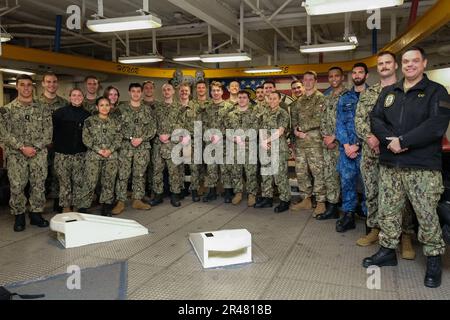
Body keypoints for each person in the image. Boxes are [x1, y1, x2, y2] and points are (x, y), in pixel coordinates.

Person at [363, 46, 450, 288]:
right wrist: (392, 141)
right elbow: (376, 119)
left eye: (414, 61)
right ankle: (387, 251)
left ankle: (433, 259)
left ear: (424, 63)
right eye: (406, 61)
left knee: (426, 214)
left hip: (422, 166)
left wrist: (404, 141)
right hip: (391, 164)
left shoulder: (436, 91)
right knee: (388, 211)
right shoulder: (391, 92)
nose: (409, 65)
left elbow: (436, 125)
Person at [354, 51, 416, 260]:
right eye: (380, 63)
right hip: (371, 153)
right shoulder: (369, 93)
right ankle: (375, 228)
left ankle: (405, 235)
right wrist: (370, 138)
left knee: (401, 197)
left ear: (395, 65)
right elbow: (359, 120)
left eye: (388, 62)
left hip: (399, 153)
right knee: (372, 192)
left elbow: (410, 123)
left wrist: (392, 142)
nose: (384, 66)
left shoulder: (405, 90)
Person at [0, 74, 52, 232]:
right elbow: (4, 134)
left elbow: (48, 132)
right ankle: (19, 215)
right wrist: (22, 147)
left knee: (38, 185)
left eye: (29, 85)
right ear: (17, 87)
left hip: (38, 153)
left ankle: (36, 214)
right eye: (22, 85)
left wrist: (34, 147)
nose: (26, 88)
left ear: (33, 87)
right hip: (16, 155)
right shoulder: (6, 110)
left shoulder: (43, 108)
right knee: (17, 186)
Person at [334, 63, 369, 232]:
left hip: (367, 149)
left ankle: (371, 219)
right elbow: (339, 122)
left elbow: (375, 123)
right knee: (347, 182)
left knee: (369, 185)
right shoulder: (345, 97)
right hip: (346, 149)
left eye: (360, 72)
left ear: (366, 75)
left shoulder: (373, 95)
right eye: (354, 72)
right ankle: (348, 215)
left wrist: (358, 145)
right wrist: (347, 145)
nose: (357, 75)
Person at [112, 83, 156, 214]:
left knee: (140, 174)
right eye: (133, 91)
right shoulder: (121, 109)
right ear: (129, 92)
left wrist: (141, 138)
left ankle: (137, 200)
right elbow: (116, 127)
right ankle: (120, 201)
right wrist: (131, 138)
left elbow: (153, 128)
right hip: (126, 146)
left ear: (141, 93)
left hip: (142, 146)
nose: (136, 94)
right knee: (123, 175)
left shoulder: (147, 110)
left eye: (138, 91)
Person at [290, 71, 326, 216]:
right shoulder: (298, 101)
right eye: (305, 79)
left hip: (315, 143)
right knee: (301, 172)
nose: (308, 82)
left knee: (318, 172)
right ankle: (306, 199)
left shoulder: (320, 98)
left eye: (311, 79)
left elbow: (320, 119)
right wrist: (296, 131)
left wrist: (302, 128)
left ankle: (321, 201)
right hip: (300, 143)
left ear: (315, 81)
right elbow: (293, 120)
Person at [78, 97, 121, 216]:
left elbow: (118, 138)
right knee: (90, 181)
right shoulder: (89, 121)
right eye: (101, 105)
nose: (105, 107)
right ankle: (83, 207)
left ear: (110, 106)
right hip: (94, 156)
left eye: (107, 105)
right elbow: (86, 139)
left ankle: (106, 207)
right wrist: (99, 150)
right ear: (97, 107)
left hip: (111, 156)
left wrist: (110, 150)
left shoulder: (115, 121)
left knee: (109, 181)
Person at [52, 88, 90, 213]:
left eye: (79, 95)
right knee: (64, 184)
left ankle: (78, 207)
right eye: (74, 95)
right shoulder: (59, 113)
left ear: (83, 97)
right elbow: (52, 132)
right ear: (69, 97)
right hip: (62, 155)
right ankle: (66, 207)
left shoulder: (87, 115)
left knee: (79, 182)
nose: (77, 97)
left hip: (80, 155)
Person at [316, 67, 346, 221]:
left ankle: (348, 212)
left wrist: (334, 138)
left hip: (343, 145)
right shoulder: (326, 98)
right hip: (327, 145)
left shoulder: (349, 96)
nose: (333, 78)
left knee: (345, 178)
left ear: (342, 78)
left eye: (337, 76)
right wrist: (325, 138)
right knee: (330, 177)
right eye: (330, 76)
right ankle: (332, 208)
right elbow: (322, 121)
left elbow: (350, 121)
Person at [255, 92, 291, 213]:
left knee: (280, 176)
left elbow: (280, 131)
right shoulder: (264, 113)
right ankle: (267, 198)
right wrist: (262, 141)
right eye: (270, 98)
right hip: (266, 148)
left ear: (279, 100)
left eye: (275, 98)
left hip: (278, 149)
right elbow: (260, 129)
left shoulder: (282, 113)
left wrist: (266, 141)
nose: (272, 101)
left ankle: (284, 200)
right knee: (266, 175)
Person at [38, 72, 68, 213]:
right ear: (43, 83)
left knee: (58, 174)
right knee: (40, 176)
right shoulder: (35, 103)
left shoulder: (64, 103)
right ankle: (38, 205)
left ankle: (57, 201)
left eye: (54, 81)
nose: (51, 84)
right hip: (40, 147)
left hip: (59, 146)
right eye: (48, 81)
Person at [150, 83, 184, 207]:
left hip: (173, 143)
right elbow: (152, 124)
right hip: (159, 143)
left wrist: (169, 135)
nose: (166, 92)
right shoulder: (157, 107)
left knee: (174, 171)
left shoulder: (179, 107)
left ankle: (175, 195)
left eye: (168, 89)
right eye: (164, 90)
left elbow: (182, 125)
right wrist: (159, 134)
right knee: (157, 170)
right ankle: (158, 195)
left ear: (173, 91)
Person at [225, 90, 259, 207]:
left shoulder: (254, 113)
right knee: (236, 171)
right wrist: (235, 139)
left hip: (250, 147)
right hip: (235, 148)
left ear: (248, 99)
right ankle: (238, 193)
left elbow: (255, 130)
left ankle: (252, 194)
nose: (242, 99)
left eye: (244, 97)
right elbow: (227, 131)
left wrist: (242, 138)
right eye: (240, 97)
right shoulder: (231, 114)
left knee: (251, 172)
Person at [202, 81, 234, 203]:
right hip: (210, 143)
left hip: (224, 142)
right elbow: (204, 124)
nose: (215, 92)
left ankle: (227, 192)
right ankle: (211, 191)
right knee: (211, 168)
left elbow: (232, 125)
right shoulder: (207, 107)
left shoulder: (229, 106)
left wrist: (220, 135)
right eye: (213, 90)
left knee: (225, 168)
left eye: (218, 90)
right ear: (211, 92)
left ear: (222, 92)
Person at [179, 83, 204, 202]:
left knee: (194, 167)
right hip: (177, 142)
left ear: (190, 92)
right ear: (178, 92)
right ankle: (181, 190)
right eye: (182, 90)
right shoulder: (174, 106)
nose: (184, 92)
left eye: (186, 91)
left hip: (192, 141)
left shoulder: (196, 106)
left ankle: (194, 190)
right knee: (179, 167)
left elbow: (199, 124)